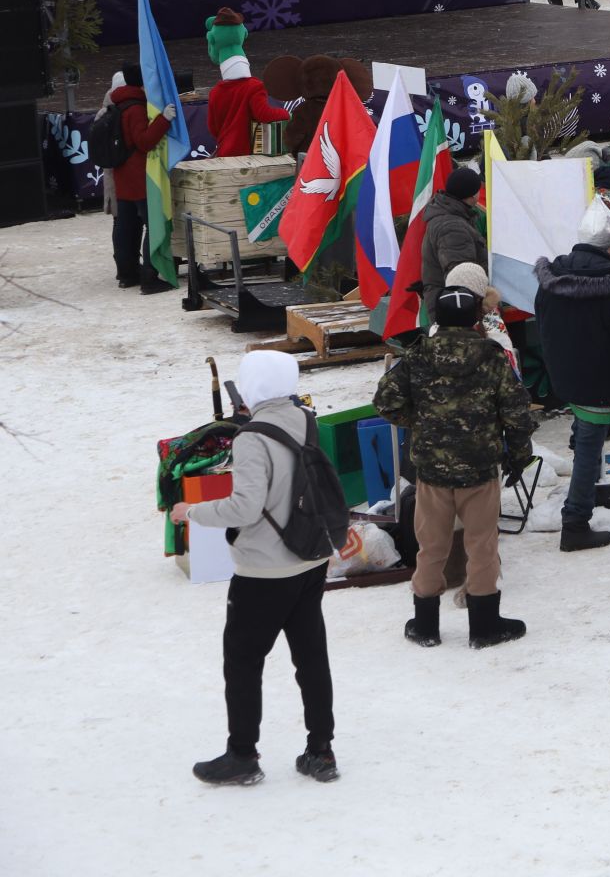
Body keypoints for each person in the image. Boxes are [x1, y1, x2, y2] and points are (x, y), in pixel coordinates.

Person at [171, 352, 336, 786]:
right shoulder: (306, 418)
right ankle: (321, 750)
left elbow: (244, 506)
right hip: (310, 555)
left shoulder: (251, 438)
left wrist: (191, 511)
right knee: (311, 656)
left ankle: (242, 756)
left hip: (265, 570)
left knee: (243, 662)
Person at [376, 286, 537, 649]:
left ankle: (425, 625)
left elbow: (384, 402)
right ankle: (484, 626)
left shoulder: (417, 355)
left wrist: (419, 421)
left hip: (431, 472)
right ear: (475, 318)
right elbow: (516, 412)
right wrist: (519, 454)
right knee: (482, 544)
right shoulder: (492, 357)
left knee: (431, 546)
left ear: (437, 318)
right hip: (479, 469)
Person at [534, 205, 610, 551]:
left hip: (565, 374)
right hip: (600, 378)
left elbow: (544, 325)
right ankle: (575, 522)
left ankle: (578, 493)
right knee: (589, 448)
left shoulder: (552, 279)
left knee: (584, 436)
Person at [104, 73, 176, 290]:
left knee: (125, 228)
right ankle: (149, 277)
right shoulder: (135, 108)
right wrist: (164, 119)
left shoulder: (115, 106)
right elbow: (144, 141)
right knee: (153, 225)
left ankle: (127, 274)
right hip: (139, 177)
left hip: (122, 178)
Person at [420, 166, 485, 307]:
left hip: (450, 305)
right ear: (472, 195)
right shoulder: (453, 227)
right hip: (456, 310)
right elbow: (463, 278)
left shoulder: (452, 216)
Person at [206, 52, 289, 158]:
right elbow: (264, 114)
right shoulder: (255, 86)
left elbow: (212, 127)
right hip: (249, 153)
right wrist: (286, 113)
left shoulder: (215, 92)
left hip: (224, 152)